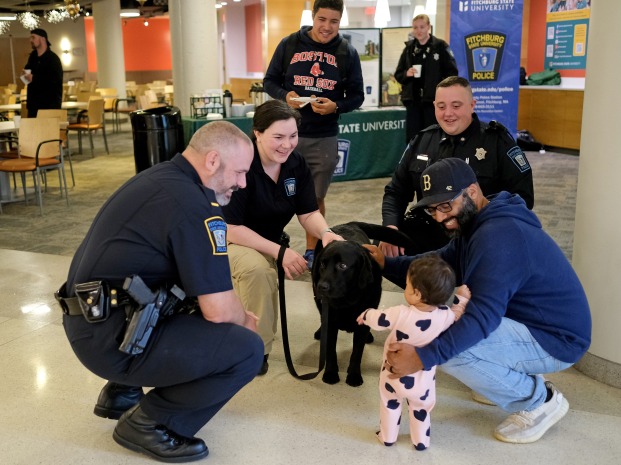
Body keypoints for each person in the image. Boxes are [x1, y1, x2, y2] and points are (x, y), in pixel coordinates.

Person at [55, 121, 264, 463]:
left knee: (187, 292)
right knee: (246, 349)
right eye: (240, 173)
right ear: (212, 161)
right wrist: (247, 320)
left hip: (96, 323)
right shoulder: (194, 206)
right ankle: (149, 422)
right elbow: (220, 309)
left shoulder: (161, 179)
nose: (242, 183)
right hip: (112, 340)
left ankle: (122, 392)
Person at [366, 158, 591, 444]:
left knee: (442, 339)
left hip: (558, 339)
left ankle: (540, 400)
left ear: (472, 192)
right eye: (433, 208)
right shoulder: (479, 221)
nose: (438, 217)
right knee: (449, 333)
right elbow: (439, 262)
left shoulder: (498, 236)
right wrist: (386, 263)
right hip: (532, 323)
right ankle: (503, 379)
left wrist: (422, 357)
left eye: (446, 205)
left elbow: (481, 318)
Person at [222, 100, 343, 375]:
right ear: (258, 133)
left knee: (262, 268)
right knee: (257, 270)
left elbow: (308, 212)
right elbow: (232, 228)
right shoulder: (241, 164)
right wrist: (280, 252)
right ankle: (256, 351)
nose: (287, 145)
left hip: (264, 240)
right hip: (225, 240)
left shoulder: (295, 163)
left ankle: (243, 334)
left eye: (293, 136)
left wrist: (325, 233)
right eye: (278, 137)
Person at [380, 76, 534, 258]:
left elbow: (523, 198)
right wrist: (390, 227)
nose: (448, 114)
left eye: (456, 105)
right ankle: (421, 285)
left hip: (480, 233)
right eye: (441, 106)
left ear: (472, 105)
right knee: (383, 246)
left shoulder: (497, 142)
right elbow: (396, 192)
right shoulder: (422, 141)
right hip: (432, 230)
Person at [263, 0, 364, 269]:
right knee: (271, 194)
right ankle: (267, 243)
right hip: (285, 133)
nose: (327, 27)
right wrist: (286, 96)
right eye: (322, 20)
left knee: (315, 198)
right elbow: (269, 81)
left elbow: (357, 96)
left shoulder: (347, 52)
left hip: (324, 137)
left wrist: (336, 106)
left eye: (334, 21)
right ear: (313, 17)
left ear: (340, 21)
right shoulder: (289, 44)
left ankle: (311, 250)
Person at [357, 255, 470, 450]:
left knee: (390, 404)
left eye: (408, 285)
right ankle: (420, 441)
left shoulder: (401, 313)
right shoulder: (445, 316)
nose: (406, 288)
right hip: (423, 380)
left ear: (416, 294)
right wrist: (462, 298)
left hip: (393, 374)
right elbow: (458, 313)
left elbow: (378, 319)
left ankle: (388, 437)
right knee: (421, 409)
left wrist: (365, 315)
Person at [394, 14, 458, 144]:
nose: (419, 30)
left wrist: (443, 90)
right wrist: (407, 73)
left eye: (422, 27)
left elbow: (452, 73)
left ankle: (434, 163)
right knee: (413, 138)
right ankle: (412, 163)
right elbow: (398, 74)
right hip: (413, 102)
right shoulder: (409, 49)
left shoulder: (440, 46)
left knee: (432, 136)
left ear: (428, 27)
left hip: (433, 102)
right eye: (415, 27)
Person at [22, 28, 63, 118]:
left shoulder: (52, 59)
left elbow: (55, 80)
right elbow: (27, 73)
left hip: (49, 105)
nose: (31, 40)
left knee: (48, 131)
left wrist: (34, 78)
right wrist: (25, 76)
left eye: (33, 37)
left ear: (43, 39)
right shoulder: (32, 57)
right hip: (33, 105)